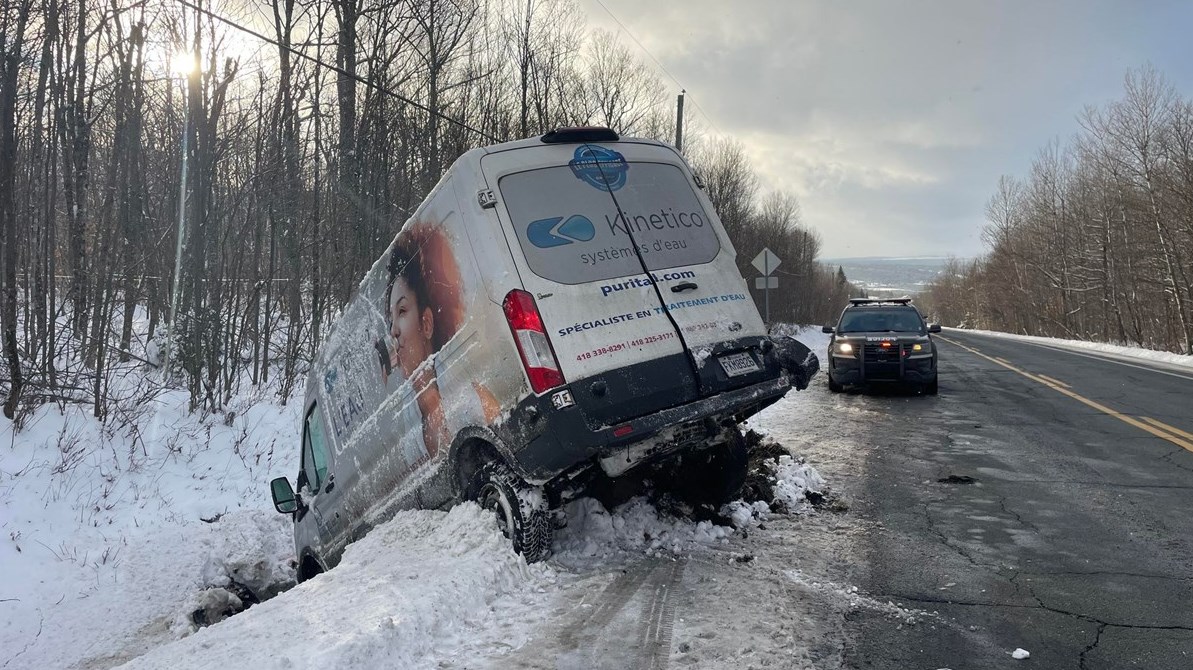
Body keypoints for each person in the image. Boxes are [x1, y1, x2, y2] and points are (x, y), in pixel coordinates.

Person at [380, 228, 500, 461]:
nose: (393, 331)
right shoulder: (408, 433)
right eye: (390, 319)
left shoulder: (473, 401)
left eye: (402, 311)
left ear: (426, 323)